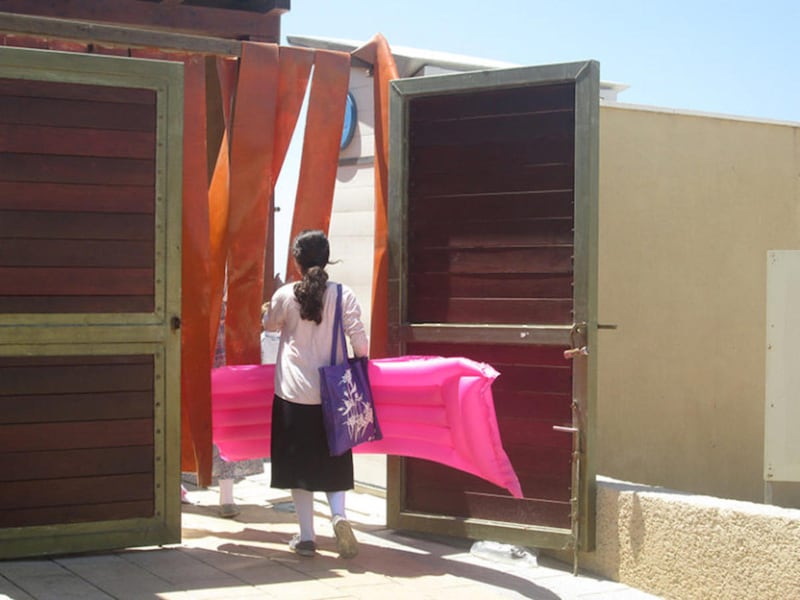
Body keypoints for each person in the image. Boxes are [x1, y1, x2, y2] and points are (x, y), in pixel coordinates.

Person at [263, 230, 368, 559]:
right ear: (327, 258)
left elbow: (269, 325)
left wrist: (268, 310)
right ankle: (338, 516)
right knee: (333, 461)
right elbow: (361, 344)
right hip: (333, 396)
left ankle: (307, 537)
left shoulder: (285, 295)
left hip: (292, 394)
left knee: (299, 469)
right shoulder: (343, 294)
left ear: (296, 262)